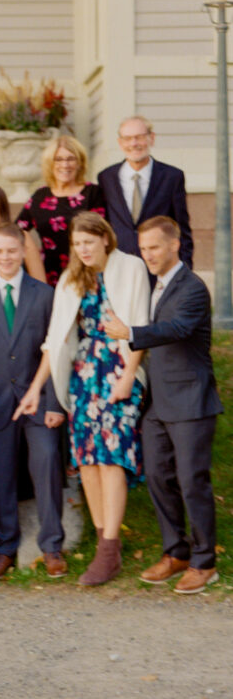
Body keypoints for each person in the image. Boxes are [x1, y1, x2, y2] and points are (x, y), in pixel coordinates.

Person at [15, 212, 150, 586]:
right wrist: (34, 390)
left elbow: (138, 325)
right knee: (88, 461)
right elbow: (54, 340)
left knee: (112, 458)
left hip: (119, 367)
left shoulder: (131, 267)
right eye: (77, 244)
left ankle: (109, 547)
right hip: (84, 376)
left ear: (105, 239)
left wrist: (126, 379)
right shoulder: (72, 280)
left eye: (89, 242)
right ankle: (105, 544)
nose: (83, 249)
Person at [103, 216, 222, 594]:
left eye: (154, 247)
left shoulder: (192, 288)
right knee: (157, 476)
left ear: (174, 245)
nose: (148, 255)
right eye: (143, 249)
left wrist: (131, 334)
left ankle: (205, 562)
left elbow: (177, 329)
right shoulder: (154, 286)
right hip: (159, 402)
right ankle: (176, 553)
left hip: (191, 400)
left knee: (192, 483)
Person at [0, 224, 66, 581]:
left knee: (47, 462)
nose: (5, 257)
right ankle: (4, 547)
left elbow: (57, 351)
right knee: (1, 473)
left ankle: (52, 545)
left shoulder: (45, 295)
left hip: (38, 399)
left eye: (11, 250)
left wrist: (54, 403)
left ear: (23, 251)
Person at [98, 115, 193, 267]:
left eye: (139, 137)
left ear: (151, 138)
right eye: (127, 138)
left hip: (159, 268)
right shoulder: (106, 177)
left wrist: (185, 270)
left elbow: (182, 229)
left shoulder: (172, 177)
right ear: (120, 143)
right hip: (120, 267)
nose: (133, 143)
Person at [16, 135, 106, 287]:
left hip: (87, 274)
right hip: (48, 275)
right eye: (58, 159)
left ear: (80, 163)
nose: (65, 164)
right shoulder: (40, 196)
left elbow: (102, 233)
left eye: (71, 159)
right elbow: (17, 231)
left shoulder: (93, 193)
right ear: (50, 163)